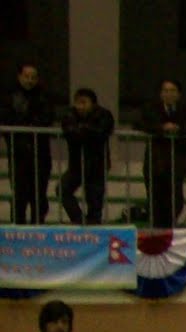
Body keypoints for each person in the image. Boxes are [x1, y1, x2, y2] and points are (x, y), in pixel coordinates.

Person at [138, 79, 186, 228]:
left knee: (176, 200)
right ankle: (158, 229)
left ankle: (169, 227)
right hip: (155, 162)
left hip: (177, 161)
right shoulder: (151, 108)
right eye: (165, 90)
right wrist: (162, 128)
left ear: (179, 94)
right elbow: (140, 124)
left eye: (172, 90)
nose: (169, 94)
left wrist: (179, 129)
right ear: (160, 93)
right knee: (155, 199)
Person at [5, 62, 53, 224]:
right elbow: (6, 119)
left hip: (40, 153)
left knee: (38, 194)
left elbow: (47, 118)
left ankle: (38, 226)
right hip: (18, 153)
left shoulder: (44, 96)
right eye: (26, 76)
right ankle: (17, 227)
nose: (30, 80)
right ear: (19, 76)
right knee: (19, 193)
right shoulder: (9, 96)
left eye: (33, 77)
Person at [59, 88, 115, 225]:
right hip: (76, 164)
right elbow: (69, 132)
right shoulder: (69, 114)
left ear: (93, 104)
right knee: (62, 190)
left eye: (84, 103)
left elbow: (100, 133)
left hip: (97, 164)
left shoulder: (104, 115)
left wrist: (82, 130)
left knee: (94, 201)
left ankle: (93, 226)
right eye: (78, 103)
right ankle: (80, 221)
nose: (80, 106)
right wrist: (86, 131)